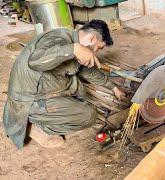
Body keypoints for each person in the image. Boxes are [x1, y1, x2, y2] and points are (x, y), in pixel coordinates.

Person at [3, 19, 126, 149]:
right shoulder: (58, 39)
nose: (95, 52)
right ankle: (35, 124)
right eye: (98, 47)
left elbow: (88, 71)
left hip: (45, 88)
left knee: (80, 90)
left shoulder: (76, 43)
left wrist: (114, 88)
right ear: (92, 38)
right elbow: (34, 61)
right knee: (88, 115)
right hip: (29, 98)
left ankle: (46, 114)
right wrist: (72, 49)